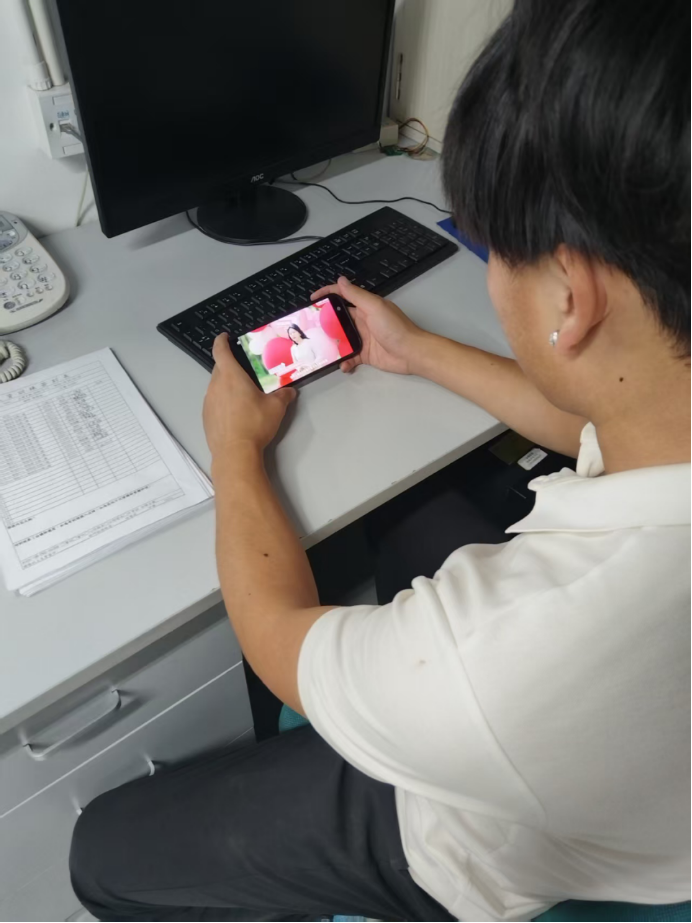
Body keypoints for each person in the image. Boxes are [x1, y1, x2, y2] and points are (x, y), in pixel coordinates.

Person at [70, 0, 691, 921]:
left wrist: (234, 449)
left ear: (572, 294)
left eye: (496, 249)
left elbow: (279, 640)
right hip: (634, 776)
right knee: (410, 507)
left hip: (481, 844)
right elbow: (586, 427)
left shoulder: (503, 657)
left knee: (101, 851)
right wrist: (419, 350)